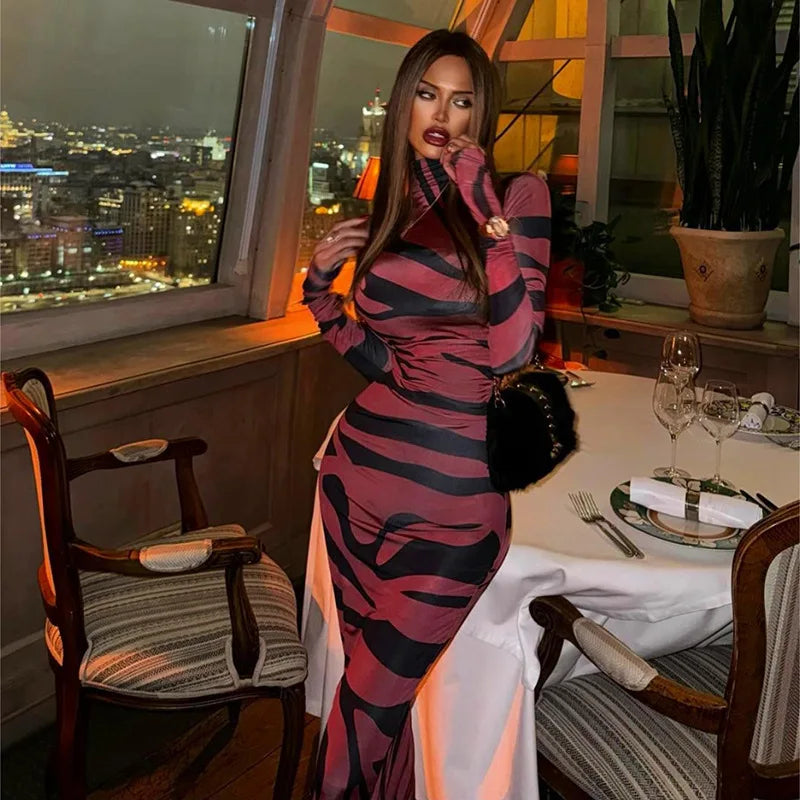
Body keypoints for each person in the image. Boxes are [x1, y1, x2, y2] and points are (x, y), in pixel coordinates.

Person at [303, 29, 550, 800]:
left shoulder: (519, 196)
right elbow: (385, 359)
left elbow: (515, 349)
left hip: (454, 511)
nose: (442, 113)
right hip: (353, 484)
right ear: (403, 104)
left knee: (356, 725)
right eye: (427, 94)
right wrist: (319, 292)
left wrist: (484, 210)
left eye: (462, 99)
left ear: (482, 113)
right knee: (378, 712)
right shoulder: (393, 203)